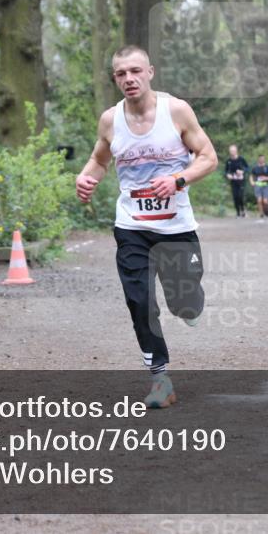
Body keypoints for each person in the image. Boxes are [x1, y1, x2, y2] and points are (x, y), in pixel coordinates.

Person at [75, 45, 218, 408]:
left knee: (185, 304)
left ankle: (190, 307)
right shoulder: (110, 120)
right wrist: (86, 178)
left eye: (135, 71)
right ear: (115, 79)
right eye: (121, 74)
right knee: (140, 301)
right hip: (132, 227)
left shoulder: (177, 111)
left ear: (150, 72)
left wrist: (179, 181)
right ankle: (161, 381)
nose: (129, 79)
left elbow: (208, 157)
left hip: (176, 227)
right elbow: (99, 159)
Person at [224, 145, 249, 217]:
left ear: (236, 151)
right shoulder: (228, 161)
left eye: (233, 150)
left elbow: (247, 168)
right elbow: (226, 171)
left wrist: (242, 171)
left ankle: (243, 210)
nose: (232, 152)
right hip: (233, 181)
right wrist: (228, 175)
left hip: (241, 181)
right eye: (230, 151)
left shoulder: (241, 159)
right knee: (235, 196)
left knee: (240, 196)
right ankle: (238, 212)